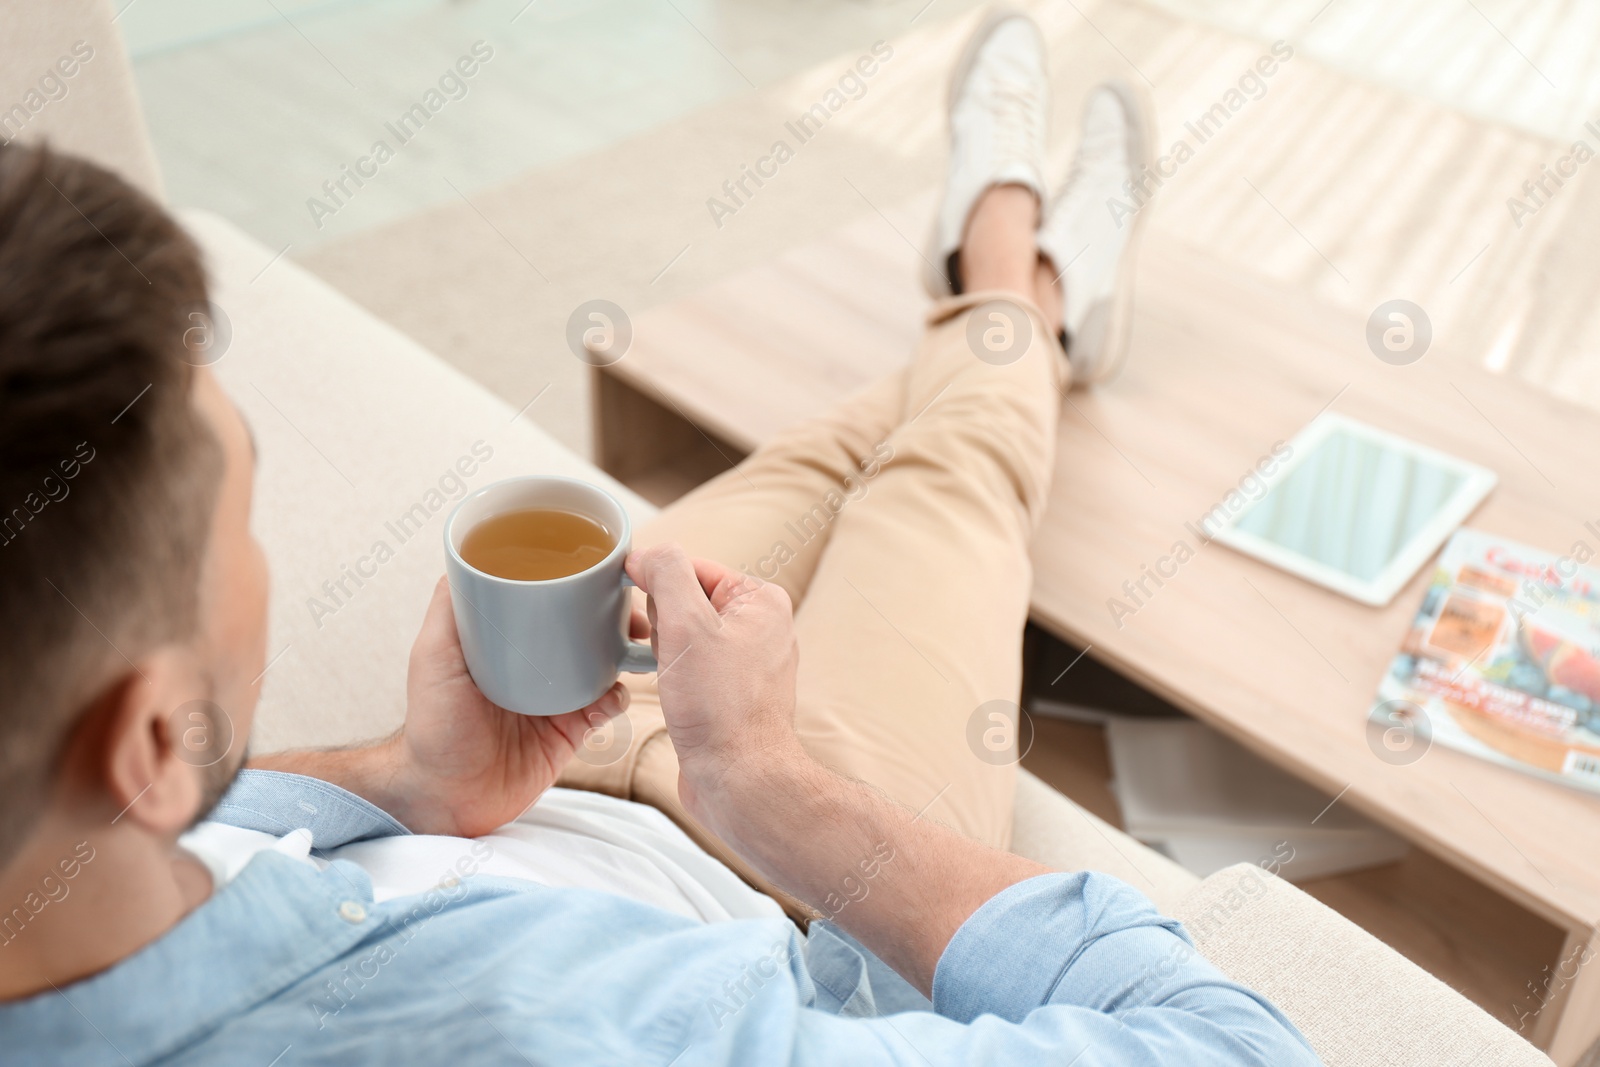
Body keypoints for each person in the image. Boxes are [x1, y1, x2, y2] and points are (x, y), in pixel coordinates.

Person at [0, 11, 1318, 1065]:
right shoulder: (581, 1028)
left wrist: (406, 778)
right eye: (244, 513)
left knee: (825, 451)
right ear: (155, 739)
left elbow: (127, 828)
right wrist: (766, 785)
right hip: (782, 863)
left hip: (524, 769)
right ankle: (1016, 254)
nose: (259, 558)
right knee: (951, 468)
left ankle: (1007, 287)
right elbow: (1232, 1046)